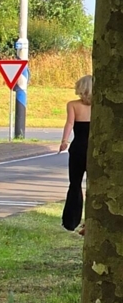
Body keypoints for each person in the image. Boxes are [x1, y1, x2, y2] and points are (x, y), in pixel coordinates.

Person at [60, 75, 92, 232]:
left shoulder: (72, 105)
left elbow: (70, 123)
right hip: (94, 149)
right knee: (93, 186)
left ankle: (71, 221)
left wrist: (64, 141)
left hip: (78, 147)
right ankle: (91, 220)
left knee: (75, 183)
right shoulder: (100, 106)